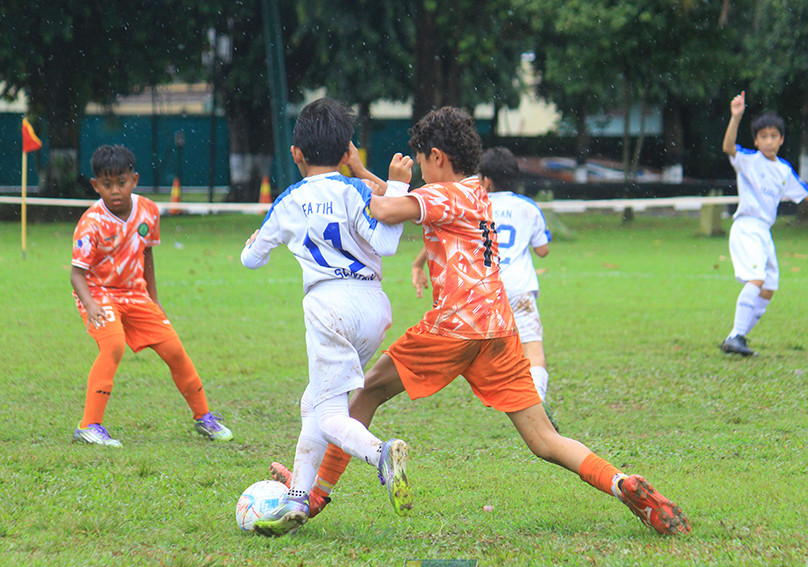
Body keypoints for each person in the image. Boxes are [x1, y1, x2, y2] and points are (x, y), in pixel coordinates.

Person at [278, 107, 690, 536]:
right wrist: (362, 170)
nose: (417, 169)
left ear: (436, 157)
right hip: (499, 331)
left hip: (454, 327)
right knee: (544, 440)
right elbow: (404, 202)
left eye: (419, 161)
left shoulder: (440, 196)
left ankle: (314, 496)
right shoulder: (475, 192)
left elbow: (383, 210)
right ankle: (622, 483)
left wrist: (344, 182)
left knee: (364, 394)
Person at [239, 98, 414, 537]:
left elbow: (251, 260)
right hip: (373, 306)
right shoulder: (356, 191)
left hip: (328, 307)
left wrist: (254, 242)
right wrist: (393, 188)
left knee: (330, 411)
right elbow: (389, 243)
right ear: (345, 153)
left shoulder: (289, 200)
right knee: (312, 403)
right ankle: (297, 499)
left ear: (296, 153)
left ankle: (381, 452)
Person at [70, 145, 232, 448]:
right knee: (114, 346)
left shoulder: (148, 210)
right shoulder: (91, 223)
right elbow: (76, 274)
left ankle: (204, 417)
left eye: (122, 182)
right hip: (99, 295)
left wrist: (154, 299)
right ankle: (89, 425)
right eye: (107, 184)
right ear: (95, 185)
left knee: (175, 351)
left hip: (136, 295)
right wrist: (90, 305)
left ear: (134, 179)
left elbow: (147, 255)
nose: (115, 190)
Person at [720, 91, 808, 357]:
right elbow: (729, 147)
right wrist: (735, 117)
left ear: (782, 139)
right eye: (763, 136)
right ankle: (736, 335)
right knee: (757, 279)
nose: (769, 141)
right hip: (747, 227)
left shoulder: (784, 170)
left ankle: (735, 337)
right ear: (756, 140)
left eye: (774, 136)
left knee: (769, 286)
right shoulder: (749, 160)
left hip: (764, 231)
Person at [411, 146, 553, 406]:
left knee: (483, 347)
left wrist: (418, 264)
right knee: (532, 346)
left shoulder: (476, 202)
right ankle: (538, 398)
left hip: (485, 286)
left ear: (485, 180)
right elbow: (542, 250)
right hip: (519, 287)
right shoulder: (528, 207)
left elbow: (445, 235)